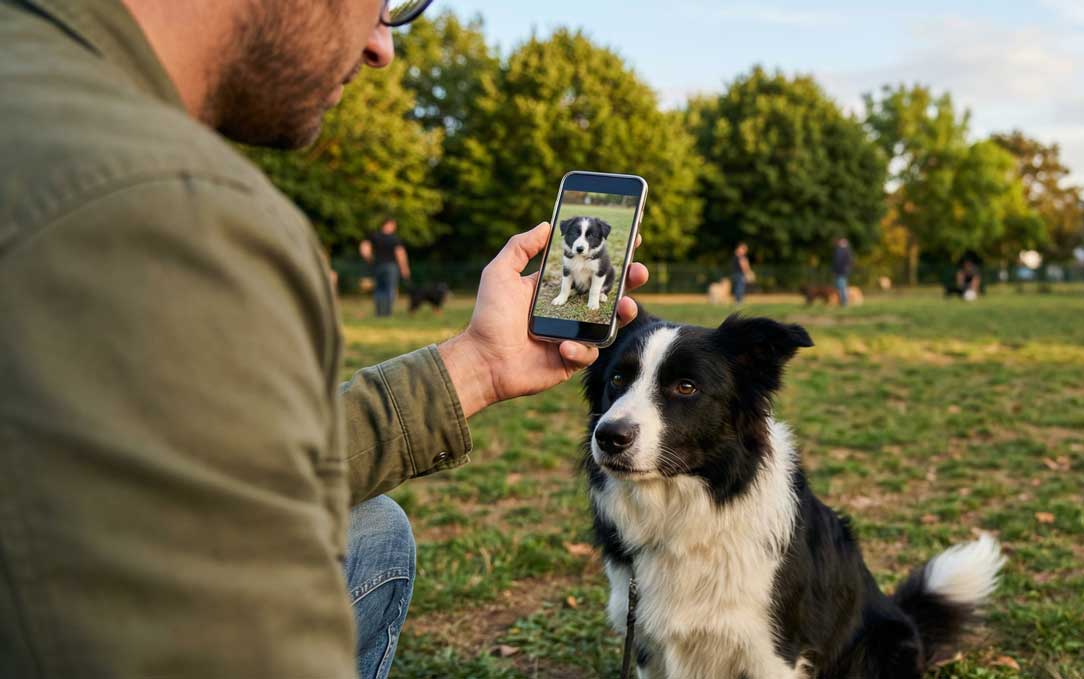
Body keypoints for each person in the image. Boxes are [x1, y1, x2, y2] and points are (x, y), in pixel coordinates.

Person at [0, 1, 648, 678]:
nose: (381, 47)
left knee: (371, 533)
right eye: (382, 3)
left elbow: (238, 461)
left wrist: (477, 366)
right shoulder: (161, 203)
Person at [361, 218, 410, 317]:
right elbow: (400, 254)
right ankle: (387, 313)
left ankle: (379, 313)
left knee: (379, 289)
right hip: (391, 266)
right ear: (389, 225)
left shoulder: (375, 236)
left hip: (377, 266)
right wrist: (404, 268)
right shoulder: (394, 239)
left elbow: (364, 247)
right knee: (390, 289)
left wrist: (369, 258)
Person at [832, 236, 854, 308]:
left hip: (842, 272)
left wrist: (846, 269)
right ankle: (842, 302)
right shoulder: (839, 250)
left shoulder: (845, 250)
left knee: (842, 287)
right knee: (840, 287)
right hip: (839, 272)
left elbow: (849, 262)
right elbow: (836, 262)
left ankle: (844, 303)